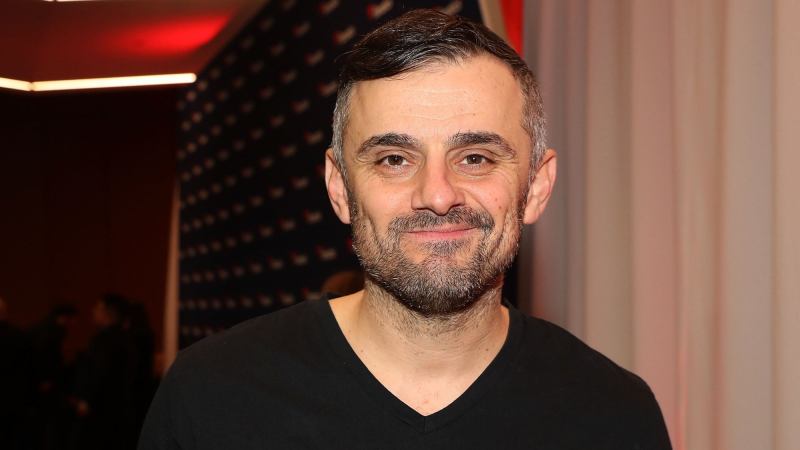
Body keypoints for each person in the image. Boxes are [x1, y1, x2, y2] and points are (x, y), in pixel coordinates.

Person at [139, 10, 672, 449]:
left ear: (536, 186)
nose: (436, 195)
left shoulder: (614, 414)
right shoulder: (211, 394)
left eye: (476, 158)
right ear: (340, 187)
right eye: (394, 159)